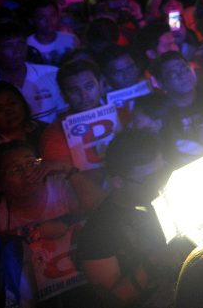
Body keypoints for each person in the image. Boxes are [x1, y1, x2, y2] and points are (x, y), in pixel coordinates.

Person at [74, 130, 190, 308]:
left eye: (163, 170)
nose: (161, 181)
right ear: (118, 182)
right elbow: (112, 302)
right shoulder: (97, 233)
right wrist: (152, 263)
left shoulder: (170, 196)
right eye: (151, 178)